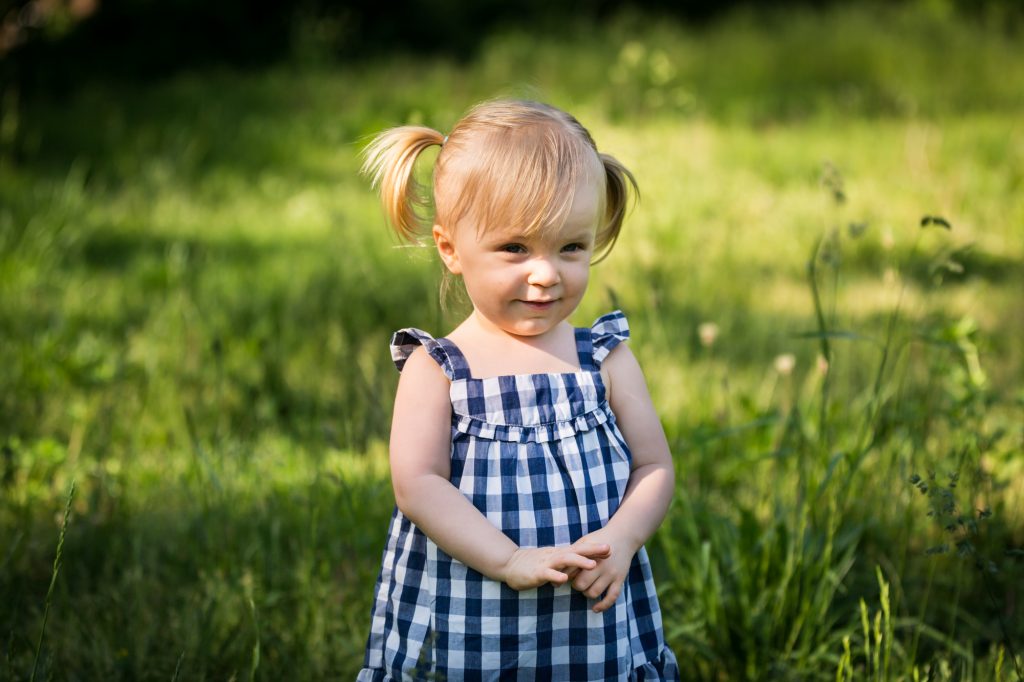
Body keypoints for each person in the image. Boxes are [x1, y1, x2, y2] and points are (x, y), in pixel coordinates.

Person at [357, 99, 679, 680]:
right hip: (471, 613)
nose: (546, 273)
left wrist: (623, 538)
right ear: (451, 248)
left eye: (571, 247)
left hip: (588, 620)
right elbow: (417, 485)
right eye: (515, 248)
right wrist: (508, 559)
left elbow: (654, 465)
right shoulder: (439, 369)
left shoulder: (604, 359)